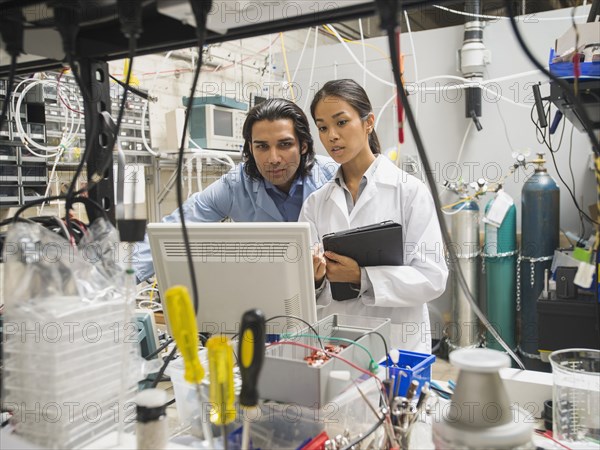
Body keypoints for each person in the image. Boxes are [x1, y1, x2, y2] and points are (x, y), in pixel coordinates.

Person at [299, 79, 448, 353]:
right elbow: (302, 287)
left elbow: (432, 278)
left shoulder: (409, 192)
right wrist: (316, 277)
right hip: (335, 346)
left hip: (397, 346)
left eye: (341, 122)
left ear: (368, 122)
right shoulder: (315, 203)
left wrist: (362, 277)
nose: (331, 135)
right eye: (322, 127)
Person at [133, 98, 337, 283]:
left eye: (284, 144)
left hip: (330, 295)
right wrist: (120, 284)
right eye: (262, 146)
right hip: (266, 289)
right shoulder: (236, 184)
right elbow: (173, 230)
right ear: (250, 147)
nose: (273, 159)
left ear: (303, 146)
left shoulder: (332, 175)